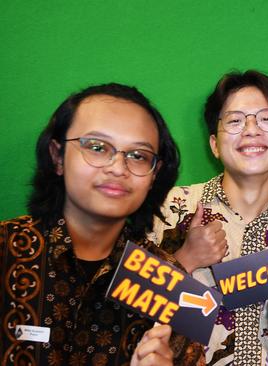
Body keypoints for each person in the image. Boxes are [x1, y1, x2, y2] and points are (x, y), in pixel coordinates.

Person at [0, 83, 202, 365]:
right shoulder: (7, 249)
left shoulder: (173, 285)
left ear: (154, 175)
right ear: (58, 157)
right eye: (97, 147)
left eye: (138, 156)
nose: (118, 168)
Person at [151, 70, 268, 365]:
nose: (251, 129)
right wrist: (184, 258)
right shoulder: (167, 208)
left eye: (267, 119)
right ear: (214, 143)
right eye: (235, 120)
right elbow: (124, 307)